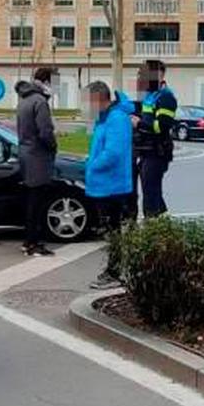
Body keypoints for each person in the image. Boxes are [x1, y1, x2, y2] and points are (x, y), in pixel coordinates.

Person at [82, 81, 135, 289]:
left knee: (113, 230)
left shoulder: (116, 119)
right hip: (103, 183)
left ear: (98, 99)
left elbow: (113, 153)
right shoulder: (104, 119)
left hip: (112, 185)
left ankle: (114, 273)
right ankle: (113, 271)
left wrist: (93, 166)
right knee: (110, 230)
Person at [15, 67, 57, 256]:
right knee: (37, 202)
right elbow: (45, 131)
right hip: (38, 157)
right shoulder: (40, 102)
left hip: (26, 154)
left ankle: (28, 241)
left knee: (31, 200)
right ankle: (33, 243)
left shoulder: (24, 99)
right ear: (47, 81)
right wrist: (53, 146)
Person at [132, 59, 176, 217]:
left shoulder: (166, 97)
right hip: (144, 150)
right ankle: (160, 223)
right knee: (149, 190)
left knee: (151, 192)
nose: (140, 78)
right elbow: (142, 114)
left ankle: (153, 226)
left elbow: (163, 126)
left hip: (157, 151)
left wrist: (139, 124)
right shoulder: (149, 95)